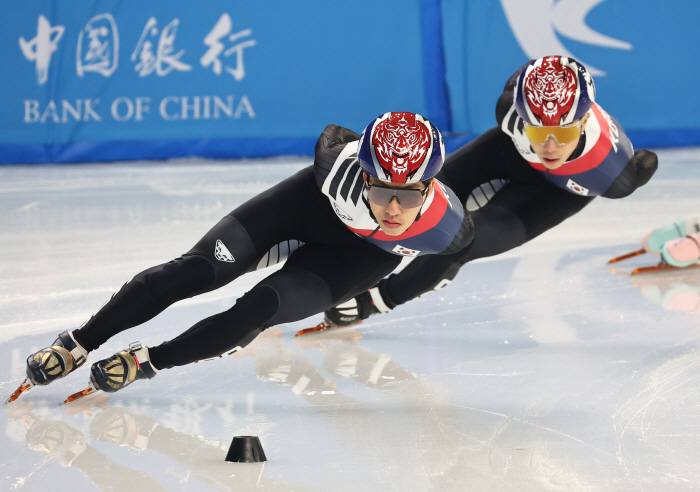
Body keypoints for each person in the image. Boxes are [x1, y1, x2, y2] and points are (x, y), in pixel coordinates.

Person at [7, 111, 474, 403]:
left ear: (431, 186)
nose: (394, 209)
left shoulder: (446, 228)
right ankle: (77, 343)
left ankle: (145, 362)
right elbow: (333, 134)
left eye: (409, 197)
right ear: (362, 173)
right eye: (382, 190)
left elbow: (455, 256)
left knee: (252, 315)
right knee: (193, 272)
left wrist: (385, 297)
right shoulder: (338, 165)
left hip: (357, 258)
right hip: (308, 210)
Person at [323, 56, 659, 327]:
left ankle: (375, 301)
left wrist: (376, 300)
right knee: (410, 206)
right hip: (507, 154)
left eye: (563, 132)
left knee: (459, 244)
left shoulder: (611, 173)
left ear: (585, 122)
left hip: (555, 195)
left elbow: (638, 169)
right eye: (538, 131)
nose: (550, 145)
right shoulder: (511, 113)